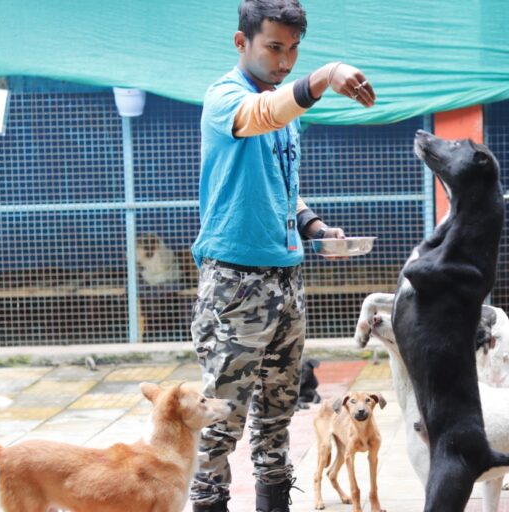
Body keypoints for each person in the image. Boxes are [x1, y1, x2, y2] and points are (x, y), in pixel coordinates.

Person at [188, 1, 375, 511]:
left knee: (278, 414)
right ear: (241, 42)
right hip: (235, 285)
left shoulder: (283, 110)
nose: (285, 60)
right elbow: (261, 115)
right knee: (221, 419)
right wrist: (324, 76)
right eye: (274, 46)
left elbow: (282, 186)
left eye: (294, 49)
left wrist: (314, 226)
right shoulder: (226, 98)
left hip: (286, 280)